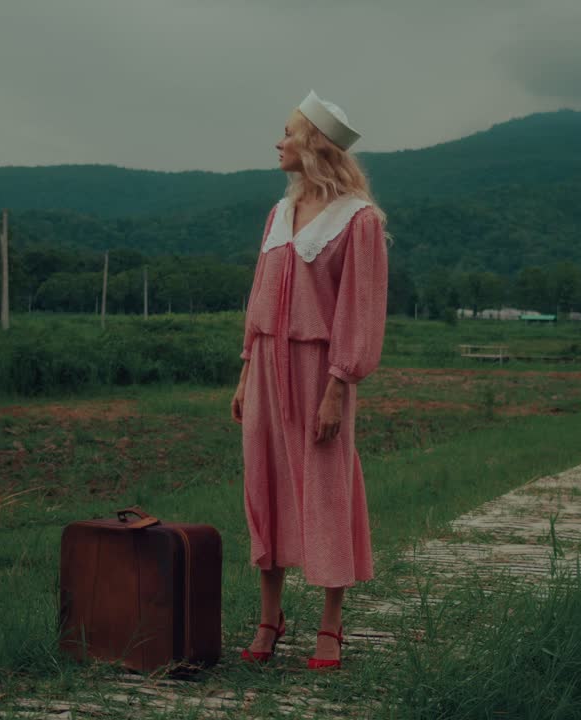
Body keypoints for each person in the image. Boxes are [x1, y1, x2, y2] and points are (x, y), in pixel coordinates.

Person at [231, 90, 389, 670]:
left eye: (289, 132)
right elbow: (259, 297)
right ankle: (270, 617)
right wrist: (247, 370)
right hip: (267, 367)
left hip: (319, 371)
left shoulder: (359, 220)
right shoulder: (278, 214)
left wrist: (338, 385)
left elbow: (359, 309)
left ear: (316, 145)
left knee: (326, 485)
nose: (279, 142)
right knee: (264, 484)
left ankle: (331, 624)